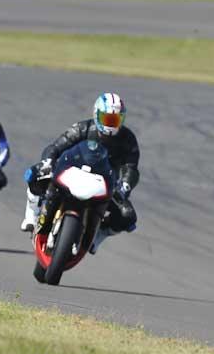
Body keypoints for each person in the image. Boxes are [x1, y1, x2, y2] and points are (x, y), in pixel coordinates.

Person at [20, 92, 140, 253]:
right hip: (73, 172)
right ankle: (32, 214)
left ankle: (99, 234)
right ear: (97, 115)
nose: (111, 124)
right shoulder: (82, 128)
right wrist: (48, 161)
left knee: (128, 216)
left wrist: (124, 186)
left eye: (115, 120)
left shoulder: (128, 139)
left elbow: (131, 168)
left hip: (104, 184)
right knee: (35, 174)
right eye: (107, 119)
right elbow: (55, 147)